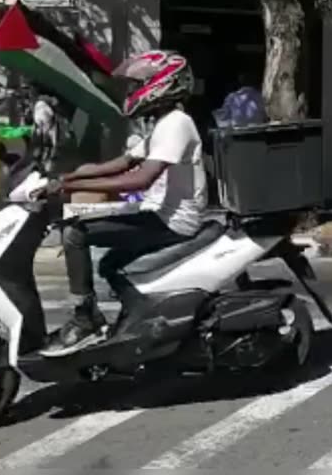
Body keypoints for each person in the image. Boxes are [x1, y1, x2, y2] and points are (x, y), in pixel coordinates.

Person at [41, 50, 208, 355]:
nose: (131, 91)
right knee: (109, 264)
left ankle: (85, 318)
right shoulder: (163, 123)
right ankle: (138, 316)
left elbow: (139, 179)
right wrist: (69, 177)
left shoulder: (176, 123)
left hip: (173, 221)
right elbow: (122, 163)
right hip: (157, 213)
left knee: (75, 233)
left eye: (136, 84)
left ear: (161, 84)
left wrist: (69, 184)